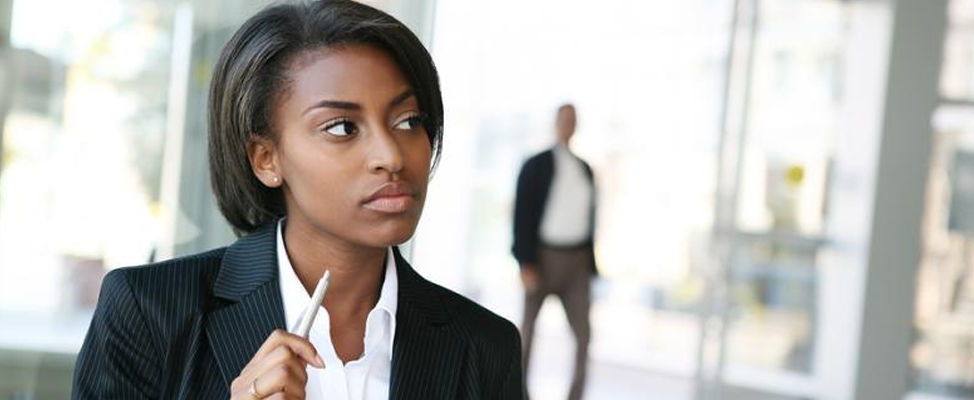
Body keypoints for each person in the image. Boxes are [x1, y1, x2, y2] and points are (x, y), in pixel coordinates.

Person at [71, 1, 523, 399]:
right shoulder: (149, 311)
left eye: (408, 121)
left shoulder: (484, 347)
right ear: (266, 159)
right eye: (342, 127)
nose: (390, 156)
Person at [512, 104, 597, 400]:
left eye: (574, 120)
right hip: (542, 257)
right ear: (556, 123)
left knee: (584, 336)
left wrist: (590, 263)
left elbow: (590, 217)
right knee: (527, 331)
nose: (568, 124)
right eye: (565, 119)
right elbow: (522, 214)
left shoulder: (584, 169)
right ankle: (519, 393)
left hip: (577, 261)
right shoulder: (536, 165)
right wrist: (525, 261)